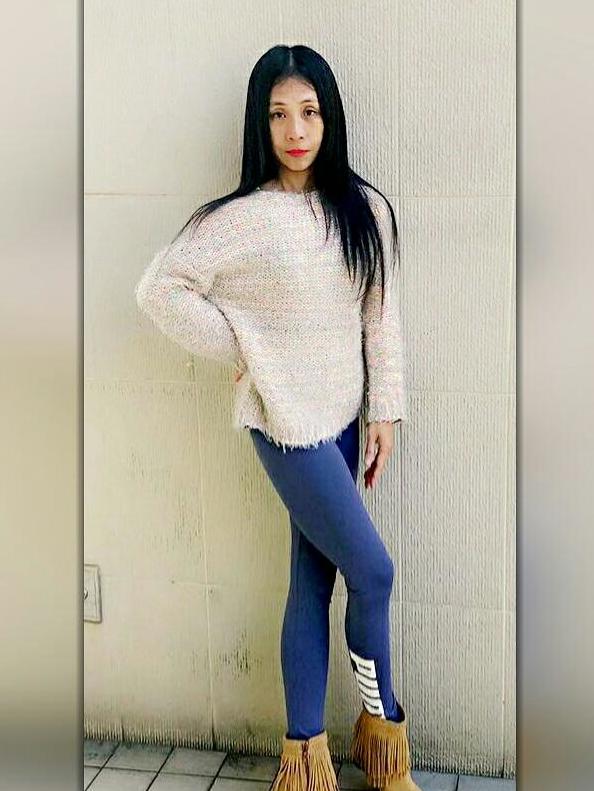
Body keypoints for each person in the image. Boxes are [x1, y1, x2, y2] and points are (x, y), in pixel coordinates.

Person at [134, 44, 419, 791]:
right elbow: (160, 290)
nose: (296, 130)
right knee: (374, 571)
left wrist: (385, 411)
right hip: (284, 422)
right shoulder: (245, 218)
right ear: (260, 125)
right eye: (279, 114)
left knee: (311, 580)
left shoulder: (366, 210)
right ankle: (385, 736)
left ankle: (305, 763)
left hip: (346, 417)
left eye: (309, 112)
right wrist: (245, 348)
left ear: (329, 117)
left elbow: (381, 318)